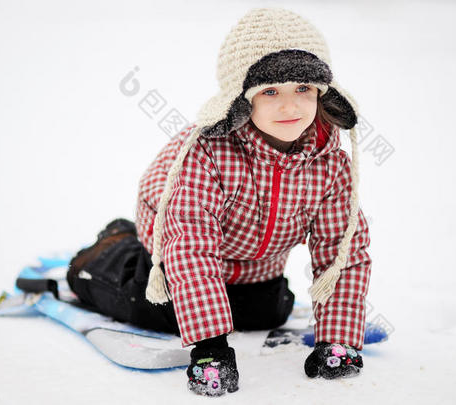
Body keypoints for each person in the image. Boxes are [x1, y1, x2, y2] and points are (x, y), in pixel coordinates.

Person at [68, 7, 371, 397]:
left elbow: (342, 248)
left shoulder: (329, 161)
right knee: (162, 311)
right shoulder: (208, 153)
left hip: (252, 266)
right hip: (173, 249)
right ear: (243, 99)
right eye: (270, 91)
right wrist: (210, 347)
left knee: (268, 312)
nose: (290, 106)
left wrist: (338, 339)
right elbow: (190, 245)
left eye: (303, 89)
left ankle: (225, 304)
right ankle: (104, 255)